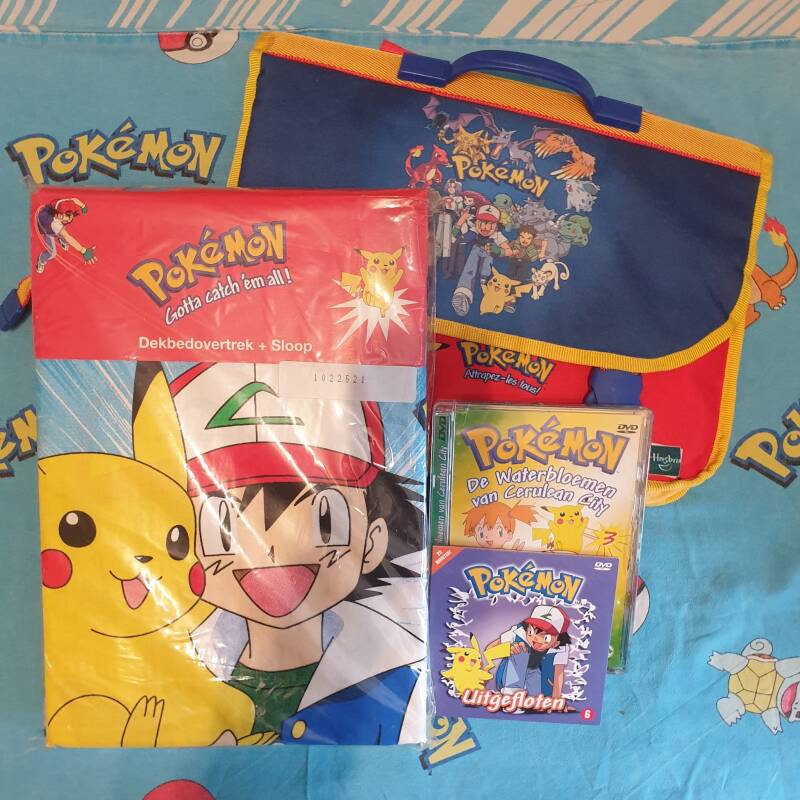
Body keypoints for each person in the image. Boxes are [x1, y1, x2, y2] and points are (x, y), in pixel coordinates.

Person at [172, 362, 427, 745]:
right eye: (222, 524)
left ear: (373, 540)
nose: (271, 550)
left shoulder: (396, 680)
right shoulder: (174, 670)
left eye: (325, 519)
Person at [488, 605, 571, 700]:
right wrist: (507, 649)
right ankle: (512, 693)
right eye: (531, 631)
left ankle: (533, 699)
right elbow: (489, 649)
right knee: (520, 650)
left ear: (556, 642)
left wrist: (556, 700)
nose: (535, 638)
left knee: (537, 680)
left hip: (536, 679)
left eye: (545, 637)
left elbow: (558, 674)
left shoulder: (560, 648)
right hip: (508, 678)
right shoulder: (518, 633)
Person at [451, 204, 512, 317]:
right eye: (482, 223)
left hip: (490, 262)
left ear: (496, 225)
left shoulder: (497, 236)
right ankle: (462, 295)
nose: (485, 227)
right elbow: (456, 238)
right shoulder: (474, 232)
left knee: (487, 277)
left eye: (490, 224)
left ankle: (498, 301)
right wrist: (461, 220)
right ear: (476, 222)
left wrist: (498, 250)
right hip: (476, 252)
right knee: (470, 268)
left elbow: (509, 251)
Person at [35, 197, 96, 273]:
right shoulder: (55, 224)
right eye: (61, 216)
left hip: (49, 219)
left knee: (63, 233)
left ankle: (62, 240)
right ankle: (41, 259)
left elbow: (75, 200)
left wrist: (83, 206)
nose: (67, 218)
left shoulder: (67, 204)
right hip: (47, 230)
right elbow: (67, 237)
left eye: (68, 216)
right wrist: (83, 251)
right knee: (52, 253)